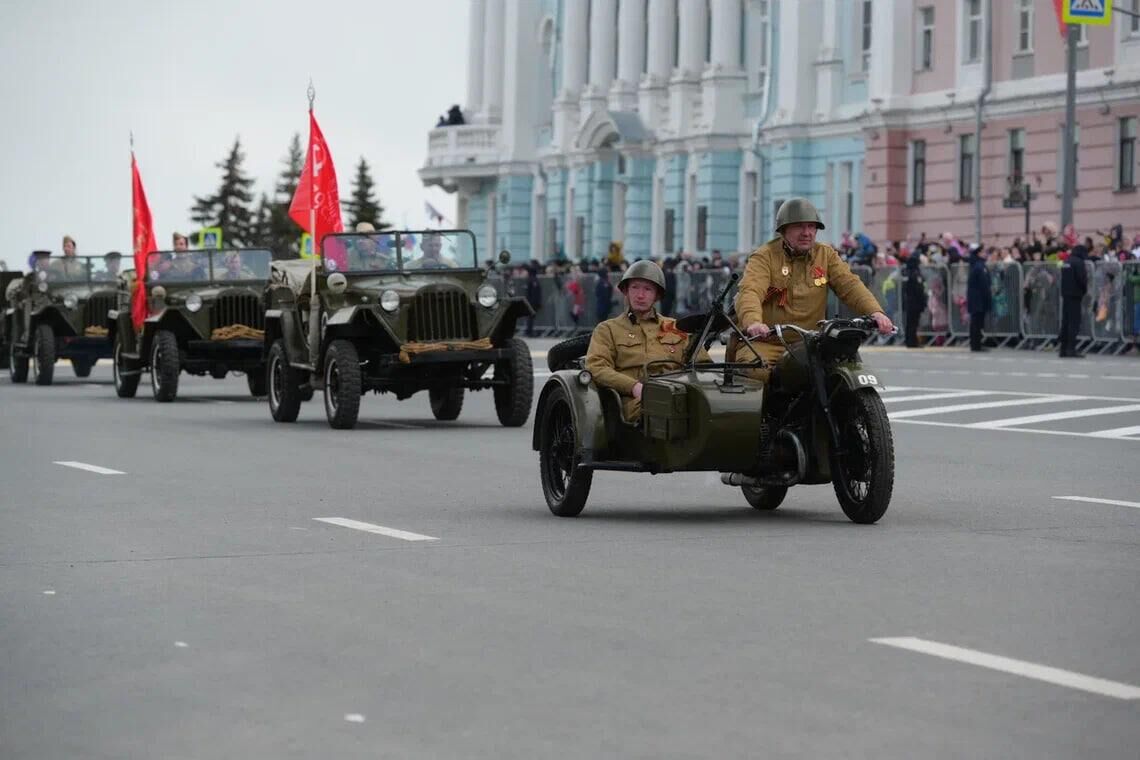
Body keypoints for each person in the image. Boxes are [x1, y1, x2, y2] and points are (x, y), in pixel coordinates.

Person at [732, 198, 892, 369]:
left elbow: (850, 284)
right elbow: (750, 291)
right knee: (755, 371)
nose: (807, 232)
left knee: (846, 371)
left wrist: (875, 312)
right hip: (768, 342)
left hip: (812, 343)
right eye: (799, 226)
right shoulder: (765, 256)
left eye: (811, 226)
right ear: (784, 230)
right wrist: (754, 322)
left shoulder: (825, 254)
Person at [585, 260, 710, 422]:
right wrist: (634, 387)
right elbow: (597, 367)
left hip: (678, 395)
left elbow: (704, 364)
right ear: (626, 291)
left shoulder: (675, 327)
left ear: (657, 295)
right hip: (635, 402)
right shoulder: (607, 329)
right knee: (664, 407)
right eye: (635, 287)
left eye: (647, 289)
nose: (640, 295)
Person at [1058, 243, 1089, 358]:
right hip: (1075, 296)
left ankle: (1063, 349)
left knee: (1065, 322)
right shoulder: (1079, 263)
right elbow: (1082, 279)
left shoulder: (1066, 261)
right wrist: (1084, 290)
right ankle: (1071, 349)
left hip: (1065, 295)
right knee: (1074, 323)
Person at [966, 243, 992, 352]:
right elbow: (983, 284)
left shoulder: (979, 265)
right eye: (984, 252)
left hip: (978, 298)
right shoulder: (979, 266)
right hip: (978, 298)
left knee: (978, 322)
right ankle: (975, 345)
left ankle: (977, 343)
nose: (986, 254)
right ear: (979, 253)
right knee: (976, 322)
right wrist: (988, 296)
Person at [901, 254, 926, 348]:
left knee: (910, 323)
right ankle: (912, 342)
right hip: (914, 302)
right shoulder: (914, 273)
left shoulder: (906, 272)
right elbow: (918, 288)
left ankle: (910, 341)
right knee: (913, 323)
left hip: (910, 301)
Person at [524, 262, 542, 337]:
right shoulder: (534, 280)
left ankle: (528, 330)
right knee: (531, 317)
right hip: (532, 302)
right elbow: (534, 293)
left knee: (530, 317)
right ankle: (529, 331)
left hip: (530, 301)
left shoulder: (530, 279)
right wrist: (537, 302)